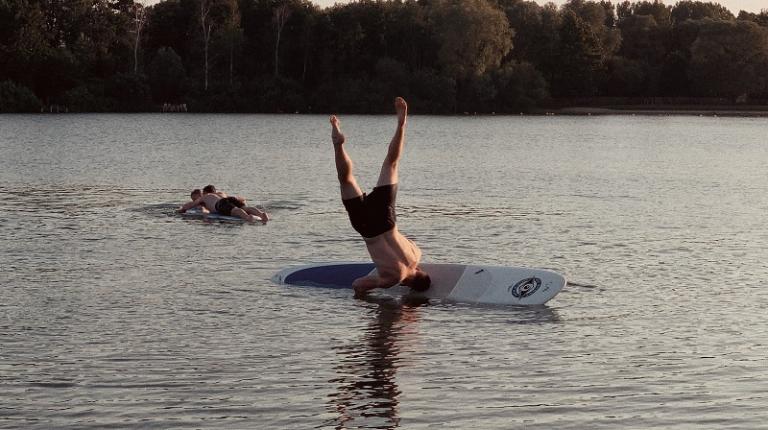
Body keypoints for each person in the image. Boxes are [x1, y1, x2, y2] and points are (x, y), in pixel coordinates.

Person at [330, 97, 430, 296]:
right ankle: (338, 146)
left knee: (391, 164)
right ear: (408, 285)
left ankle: (401, 124)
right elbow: (358, 284)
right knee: (346, 180)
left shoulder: (416, 254)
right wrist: (371, 289)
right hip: (367, 229)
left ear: (419, 271)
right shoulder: (393, 279)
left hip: (387, 222)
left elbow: (402, 241)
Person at [177, 185, 269, 224]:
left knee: (235, 210)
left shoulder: (203, 197)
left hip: (220, 204)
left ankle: (247, 218)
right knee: (246, 208)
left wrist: (181, 210)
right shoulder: (221, 193)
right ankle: (262, 214)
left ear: (203, 193)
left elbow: (189, 205)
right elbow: (240, 199)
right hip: (229, 199)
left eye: (194, 198)